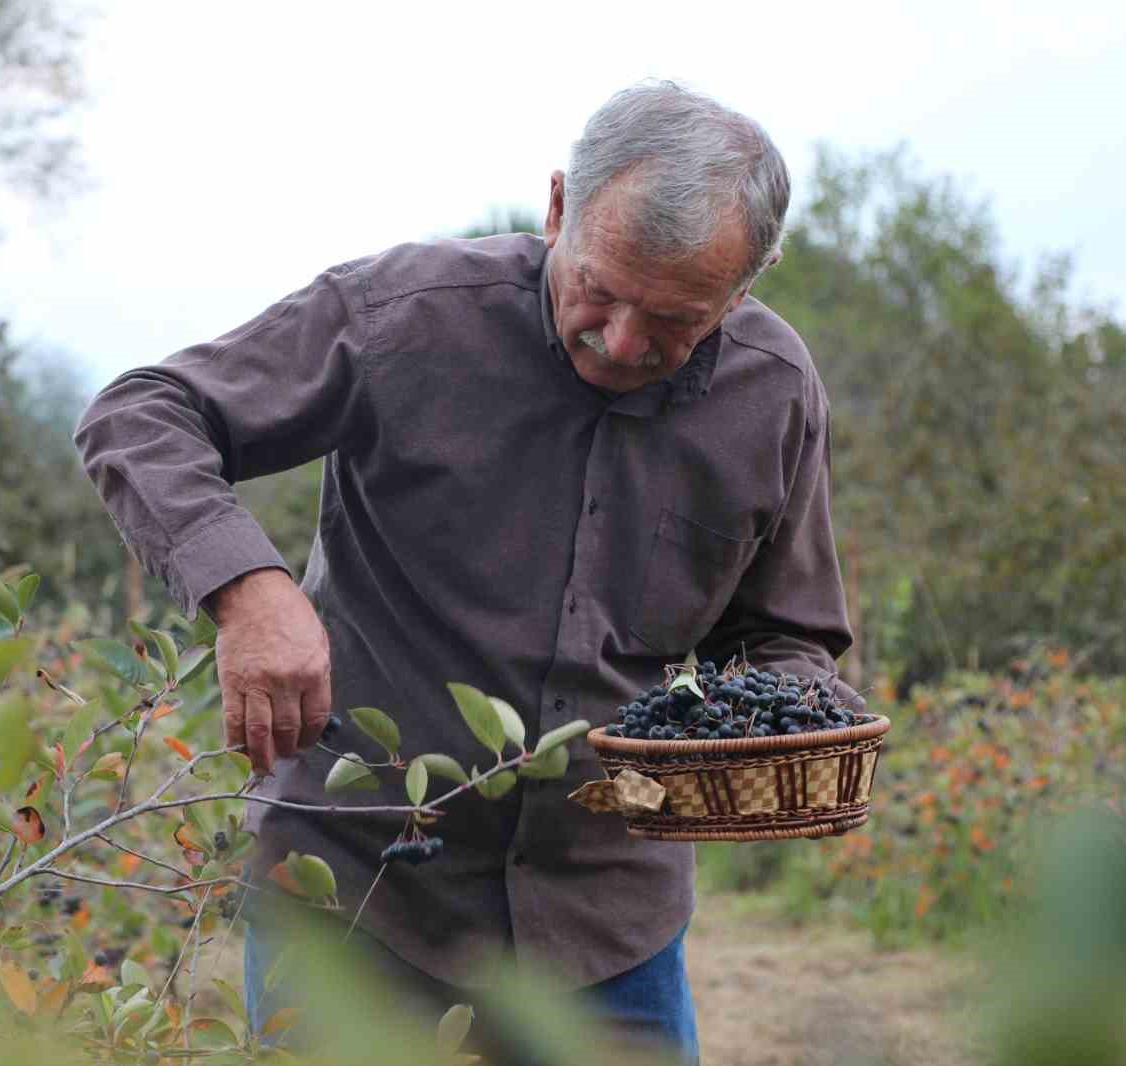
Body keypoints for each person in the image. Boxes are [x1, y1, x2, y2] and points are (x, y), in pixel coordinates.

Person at [74, 80, 857, 1065]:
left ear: (744, 287)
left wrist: (779, 736)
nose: (620, 342)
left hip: (604, 919)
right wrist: (249, 592)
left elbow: (786, 635)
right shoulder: (405, 317)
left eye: (673, 321)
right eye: (601, 290)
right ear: (560, 208)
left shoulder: (772, 392)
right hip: (358, 896)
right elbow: (141, 412)